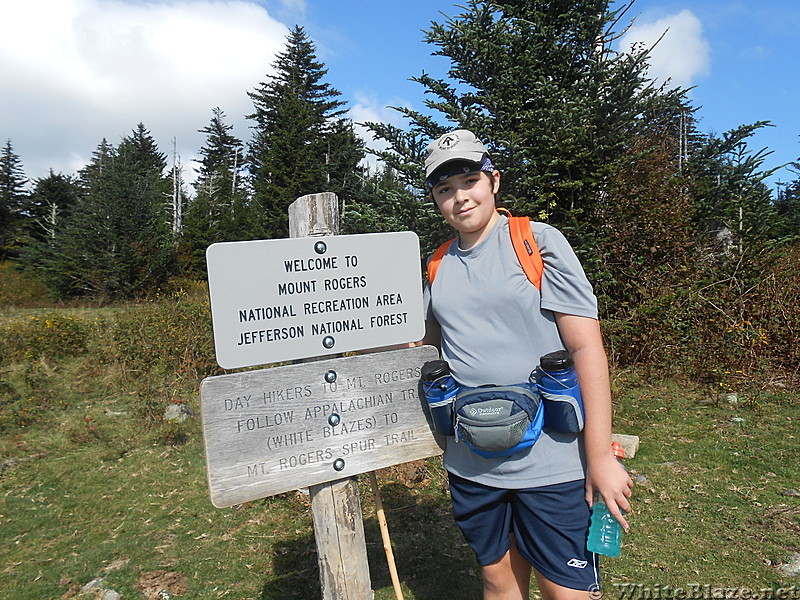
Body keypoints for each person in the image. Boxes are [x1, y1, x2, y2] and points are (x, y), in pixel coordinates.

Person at [418, 129, 633, 600]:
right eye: (444, 189)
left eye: (469, 180)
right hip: (472, 464)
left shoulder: (536, 242)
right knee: (497, 581)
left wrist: (598, 457)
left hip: (552, 464)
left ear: (493, 180)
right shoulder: (438, 265)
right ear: (435, 199)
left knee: (565, 590)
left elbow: (586, 349)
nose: (459, 197)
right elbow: (422, 350)